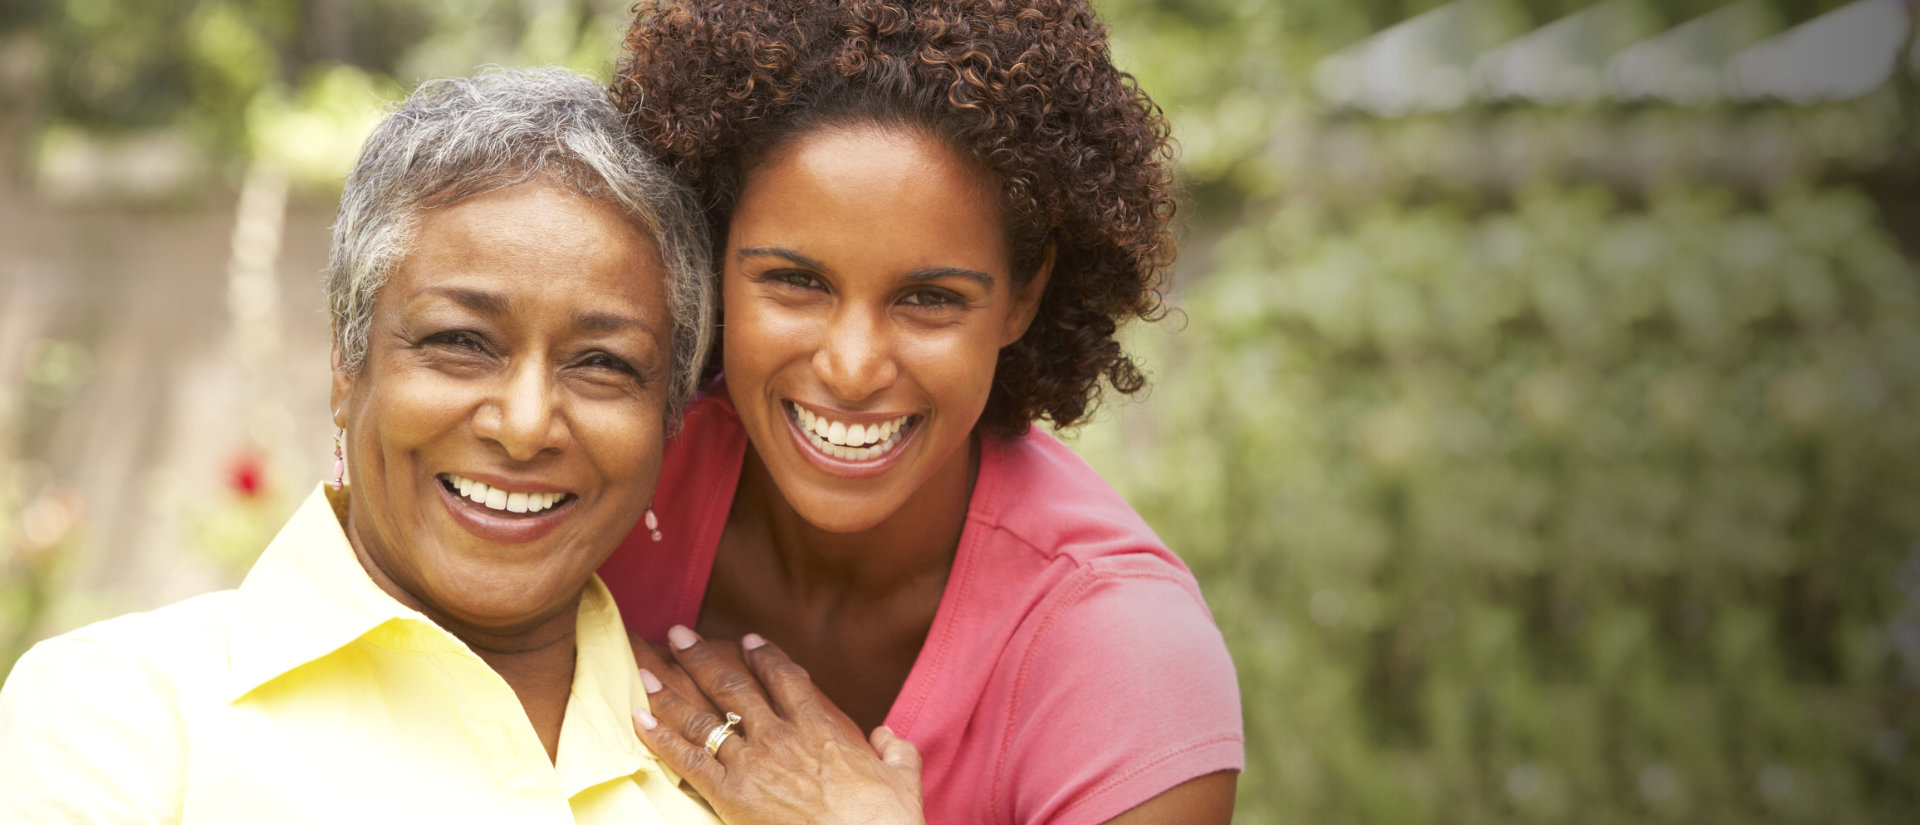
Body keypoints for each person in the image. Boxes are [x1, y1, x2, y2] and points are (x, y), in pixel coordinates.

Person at [0, 68, 921, 824]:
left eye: (603, 362)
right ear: (345, 362)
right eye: (459, 341)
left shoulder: (758, 781)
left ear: (671, 418)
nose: (524, 424)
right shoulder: (125, 718)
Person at [600, 2, 1245, 822]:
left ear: (1024, 295)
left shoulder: (1127, 658)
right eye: (796, 281)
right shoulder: (610, 475)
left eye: (930, 298)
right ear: (715, 254)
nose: (853, 366)